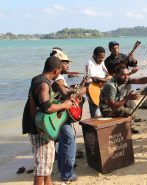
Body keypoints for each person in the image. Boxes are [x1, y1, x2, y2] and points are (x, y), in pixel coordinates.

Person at [22, 56, 74, 185]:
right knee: (41, 167)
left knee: (47, 163)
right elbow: (46, 107)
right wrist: (65, 105)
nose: (60, 74)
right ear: (56, 70)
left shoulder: (38, 79)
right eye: (60, 71)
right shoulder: (44, 84)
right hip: (39, 128)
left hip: (39, 126)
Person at [50, 48, 86, 182]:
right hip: (60, 115)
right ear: (58, 64)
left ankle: (63, 168)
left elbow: (64, 92)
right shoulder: (58, 79)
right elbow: (65, 94)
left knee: (66, 140)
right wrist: (81, 90)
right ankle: (66, 173)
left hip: (59, 114)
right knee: (69, 139)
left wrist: (75, 88)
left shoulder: (58, 77)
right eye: (66, 63)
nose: (68, 65)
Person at [86, 46, 110, 118]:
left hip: (102, 88)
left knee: (105, 110)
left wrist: (108, 77)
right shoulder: (90, 63)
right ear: (94, 55)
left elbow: (107, 73)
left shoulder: (101, 61)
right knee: (96, 114)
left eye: (103, 57)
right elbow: (95, 79)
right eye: (100, 57)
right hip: (92, 89)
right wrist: (107, 80)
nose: (101, 59)